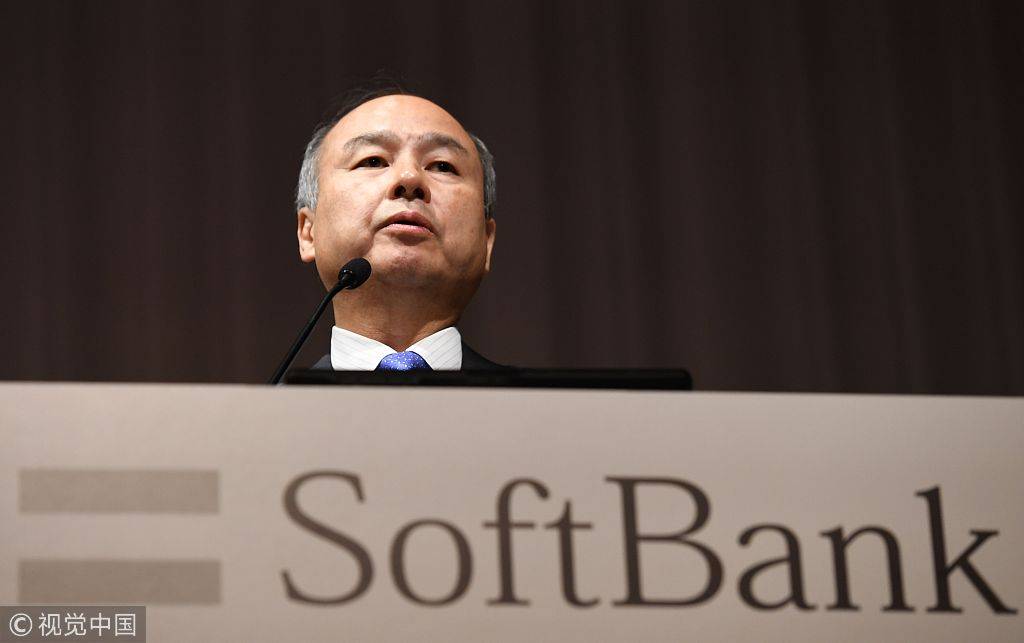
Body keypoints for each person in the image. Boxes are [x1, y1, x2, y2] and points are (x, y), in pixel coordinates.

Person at [295, 85, 507, 371]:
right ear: (308, 232)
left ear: (487, 240)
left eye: (442, 166)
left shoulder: (547, 401)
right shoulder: (256, 403)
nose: (409, 178)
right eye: (373, 161)